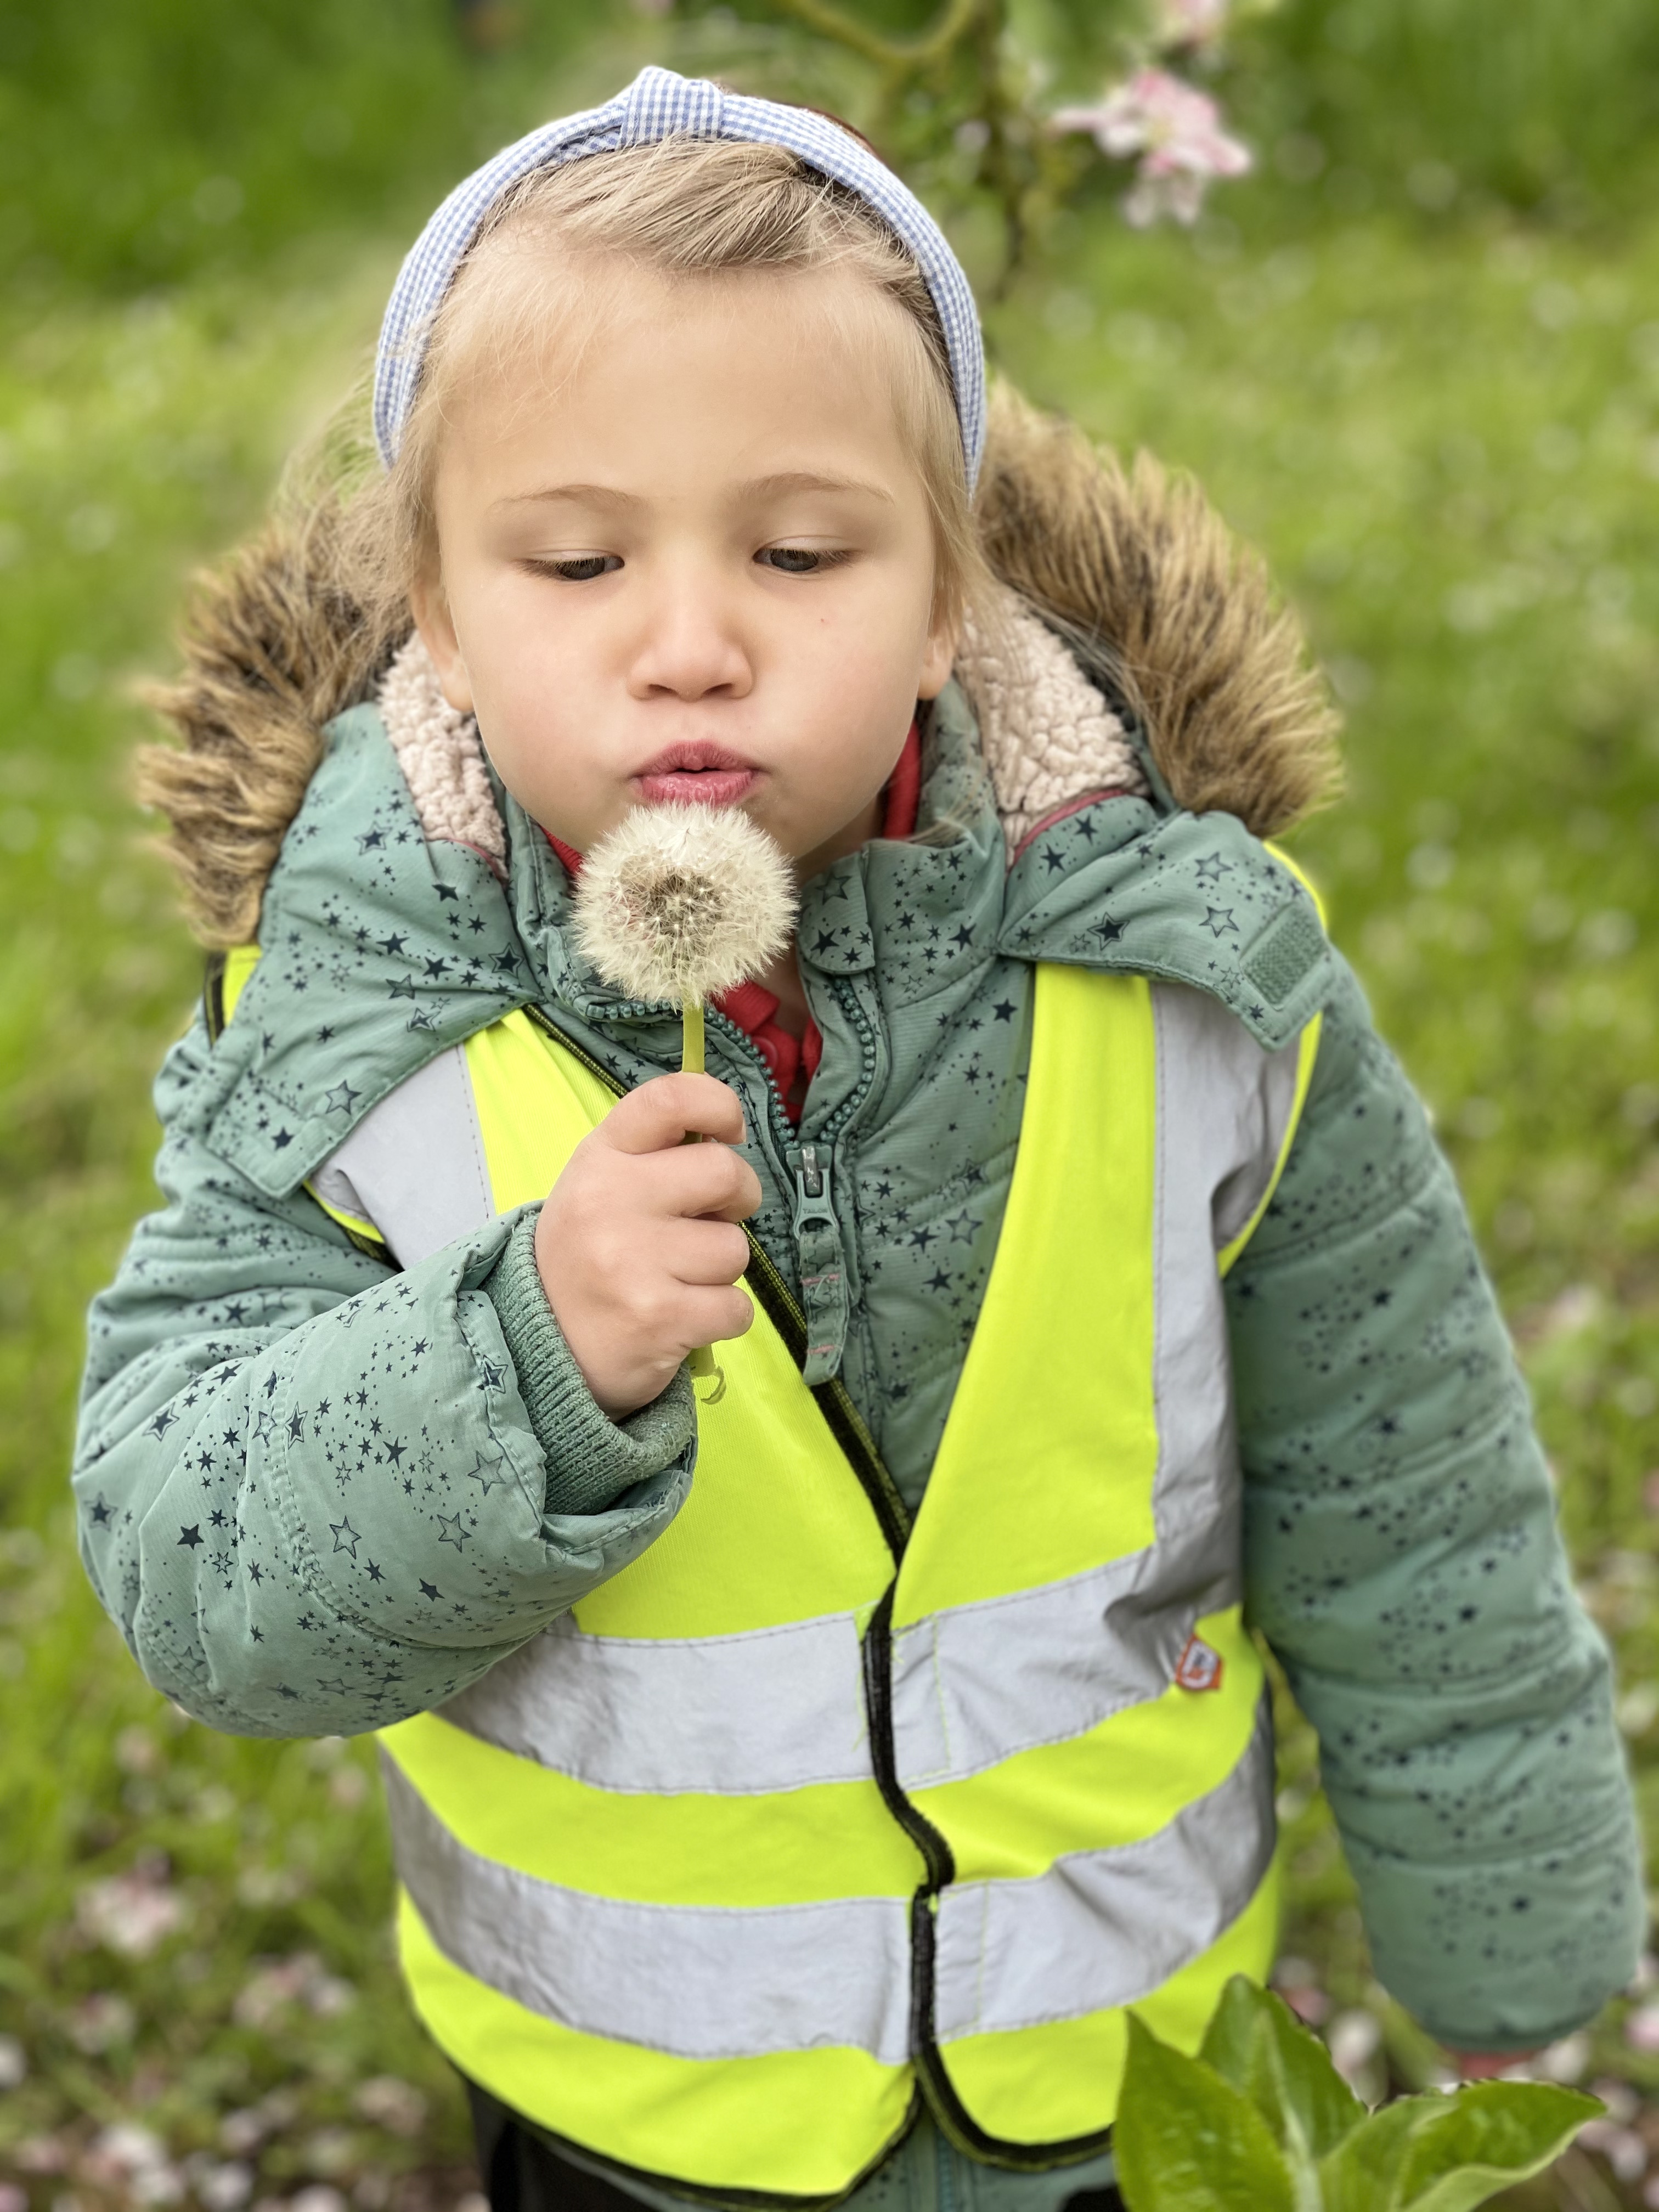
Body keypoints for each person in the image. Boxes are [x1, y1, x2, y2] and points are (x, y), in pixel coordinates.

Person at [75, 64, 1640, 2212]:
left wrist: (1511, 1943)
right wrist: (523, 1353)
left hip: (1123, 2087)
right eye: (577, 557)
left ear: (943, 600)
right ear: (432, 610)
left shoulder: (1193, 985)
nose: (692, 637)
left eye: (800, 550)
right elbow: (194, 1570)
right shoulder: (352, 1036)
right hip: (636, 2122)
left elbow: (1412, 1496)